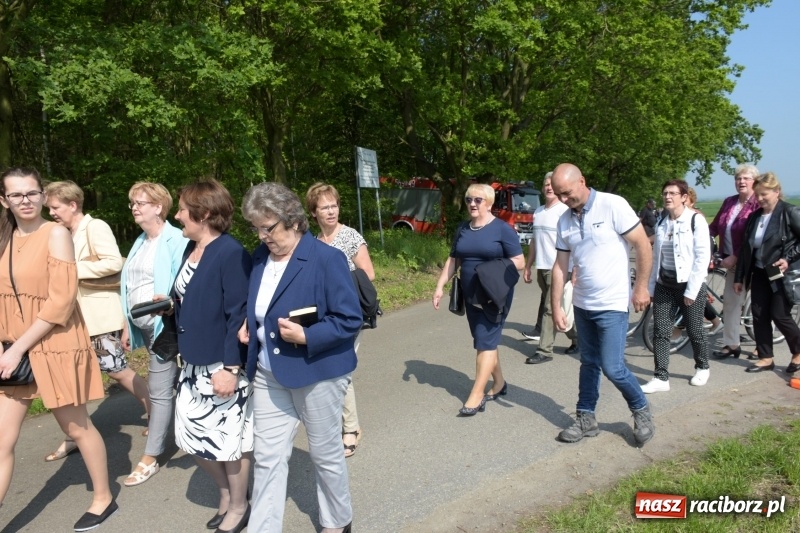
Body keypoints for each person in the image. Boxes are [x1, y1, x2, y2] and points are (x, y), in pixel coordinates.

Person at [239, 182, 361, 533]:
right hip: (267, 373)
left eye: (268, 228)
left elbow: (349, 318)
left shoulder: (326, 259)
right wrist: (249, 324)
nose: (262, 236)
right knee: (268, 458)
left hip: (317, 373)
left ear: (292, 221)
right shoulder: (260, 257)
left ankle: (337, 522)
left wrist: (308, 335)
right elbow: (259, 304)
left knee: (325, 456)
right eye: (256, 228)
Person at [0, 167, 117, 531]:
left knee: (77, 427)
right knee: (2, 440)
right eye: (16, 194)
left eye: (32, 193)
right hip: (14, 350)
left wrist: (17, 348)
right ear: (4, 200)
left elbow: (61, 301)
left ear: (41, 195)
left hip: (54, 344)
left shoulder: (56, 234)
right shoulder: (4, 238)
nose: (25, 200)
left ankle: (103, 498)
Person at [43, 180, 151, 462]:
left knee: (115, 369)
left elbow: (114, 262)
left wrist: (70, 269)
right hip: (73, 319)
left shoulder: (95, 227)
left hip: (100, 317)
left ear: (72, 205)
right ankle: (73, 435)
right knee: (73, 376)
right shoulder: (63, 233)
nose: (51, 212)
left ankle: (155, 412)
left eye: (55, 207)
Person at [549, 163, 655, 446]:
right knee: (589, 363)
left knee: (613, 366)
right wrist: (557, 306)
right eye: (558, 194)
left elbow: (643, 245)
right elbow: (560, 267)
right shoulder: (564, 220)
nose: (563, 199)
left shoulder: (612, 205)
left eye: (567, 193)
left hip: (612, 303)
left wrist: (642, 287)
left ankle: (641, 410)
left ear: (582, 181)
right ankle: (586, 417)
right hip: (583, 304)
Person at [170, 179, 253, 532]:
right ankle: (225, 494)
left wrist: (231, 368)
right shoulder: (191, 249)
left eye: (182, 210)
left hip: (222, 363)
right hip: (192, 361)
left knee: (228, 442)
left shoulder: (230, 252)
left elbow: (239, 313)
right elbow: (195, 296)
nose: (177, 215)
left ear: (203, 214)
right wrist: (171, 306)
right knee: (189, 434)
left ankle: (238, 505)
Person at [432, 184, 525, 416]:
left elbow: (520, 261)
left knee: (485, 342)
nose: (472, 204)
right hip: (470, 294)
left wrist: (490, 271)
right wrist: (439, 286)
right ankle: (500, 382)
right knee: (485, 341)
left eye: (478, 200)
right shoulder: (463, 228)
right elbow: (454, 259)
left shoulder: (502, 230)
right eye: (468, 199)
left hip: (494, 295)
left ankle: (476, 394)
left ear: (490, 203)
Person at [120, 182, 188, 486]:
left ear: (159, 207)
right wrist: (126, 323)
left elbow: (181, 282)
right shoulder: (140, 241)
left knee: (160, 390)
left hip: (166, 325)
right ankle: (178, 430)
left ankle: (151, 456)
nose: (135, 207)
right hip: (144, 327)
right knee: (165, 386)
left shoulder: (174, 238)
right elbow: (129, 286)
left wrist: (168, 304)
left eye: (141, 202)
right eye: (133, 202)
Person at [306, 182, 374, 459]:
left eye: (334, 206)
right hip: (322, 317)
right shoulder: (312, 242)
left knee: (340, 370)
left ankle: (351, 429)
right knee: (329, 370)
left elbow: (368, 273)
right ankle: (339, 425)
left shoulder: (349, 237)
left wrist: (337, 289)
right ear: (314, 212)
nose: (331, 211)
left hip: (348, 315)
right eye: (325, 207)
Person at [641, 180, 711, 393]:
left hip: (690, 284)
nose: (667, 196)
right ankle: (661, 377)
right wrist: (651, 287)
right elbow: (657, 257)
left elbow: (702, 258)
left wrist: (691, 290)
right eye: (665, 193)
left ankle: (702, 366)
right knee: (661, 331)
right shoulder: (662, 222)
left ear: (683, 196)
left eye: (672, 193)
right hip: (665, 285)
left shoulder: (695, 221)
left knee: (694, 329)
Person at [733, 173, 800, 373]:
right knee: (759, 315)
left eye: (764, 194)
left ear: (776, 192)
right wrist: (739, 278)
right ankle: (765, 357)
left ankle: (798, 352)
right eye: (758, 195)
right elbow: (747, 249)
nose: (760, 199)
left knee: (779, 314)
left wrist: (788, 258)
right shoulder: (754, 217)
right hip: (760, 271)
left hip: (782, 272)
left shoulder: (789, 212)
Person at [522, 172, 577, 364]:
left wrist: (575, 268)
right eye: (546, 184)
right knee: (558, 307)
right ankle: (578, 339)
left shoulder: (565, 211)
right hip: (542, 267)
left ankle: (544, 350)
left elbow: (574, 242)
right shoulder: (538, 212)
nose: (548, 187)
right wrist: (529, 265)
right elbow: (535, 241)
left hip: (560, 269)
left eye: (552, 184)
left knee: (549, 309)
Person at [709, 163, 760, 360]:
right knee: (731, 303)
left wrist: (736, 256)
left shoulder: (758, 203)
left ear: (754, 181)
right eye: (738, 178)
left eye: (746, 178)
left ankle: (763, 346)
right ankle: (732, 344)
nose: (741, 181)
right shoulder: (729, 202)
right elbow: (714, 227)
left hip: (754, 262)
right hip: (730, 263)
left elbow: (752, 236)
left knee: (760, 305)